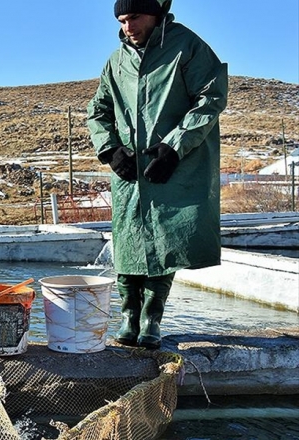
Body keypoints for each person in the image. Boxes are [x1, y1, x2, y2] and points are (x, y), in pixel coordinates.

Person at [87, 0, 228, 350]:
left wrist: (174, 146)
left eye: (134, 17)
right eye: (122, 20)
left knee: (164, 241)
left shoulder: (186, 46)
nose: (128, 27)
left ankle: (152, 318)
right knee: (128, 240)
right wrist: (110, 149)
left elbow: (211, 97)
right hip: (129, 170)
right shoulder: (116, 61)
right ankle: (128, 316)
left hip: (173, 164)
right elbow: (98, 110)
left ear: (155, 13)